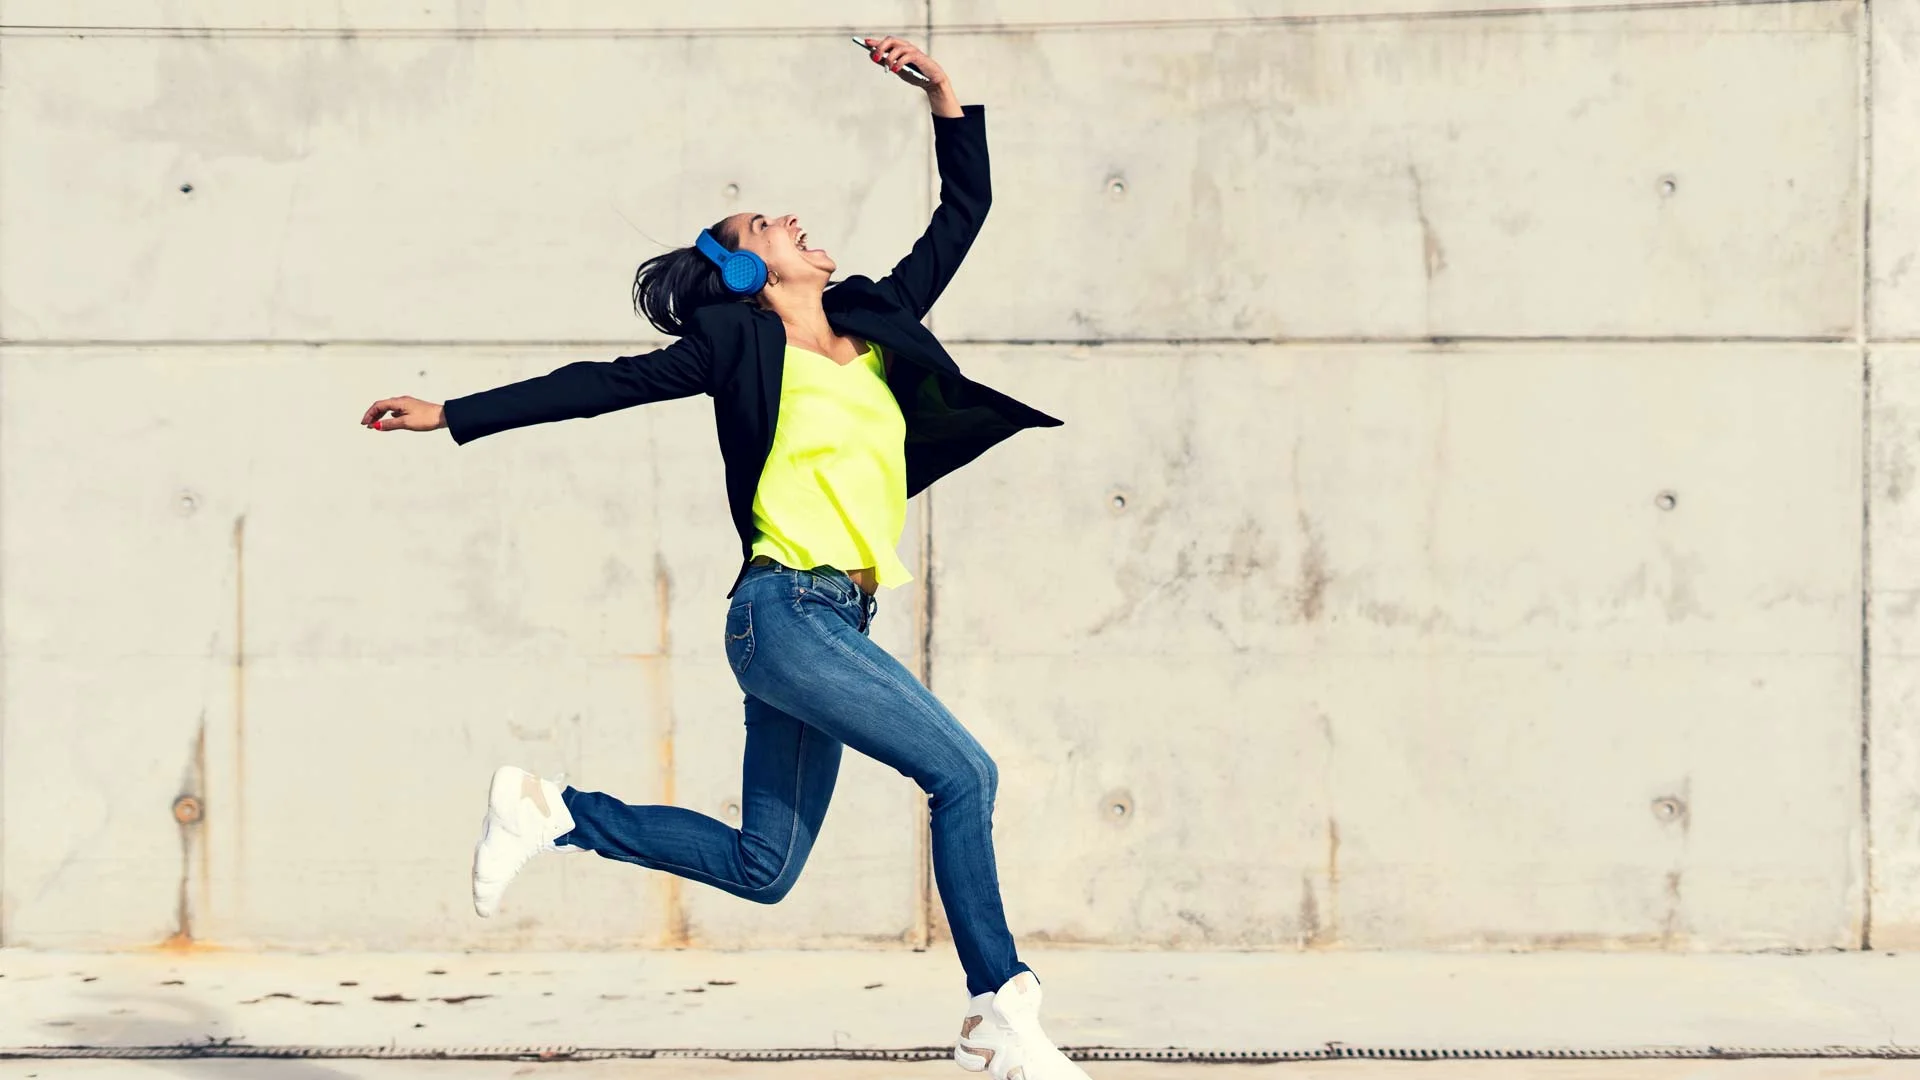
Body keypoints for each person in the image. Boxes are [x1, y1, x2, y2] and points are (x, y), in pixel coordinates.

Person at [360, 36, 1089, 1080]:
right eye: (762, 226)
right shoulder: (735, 346)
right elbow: (597, 385)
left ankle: (552, 812)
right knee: (964, 773)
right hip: (782, 616)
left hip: (836, 622)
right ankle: (1000, 1004)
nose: (789, 219)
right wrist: (453, 414)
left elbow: (962, 213)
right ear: (746, 269)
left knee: (764, 867)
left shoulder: (875, 318)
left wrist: (943, 94)